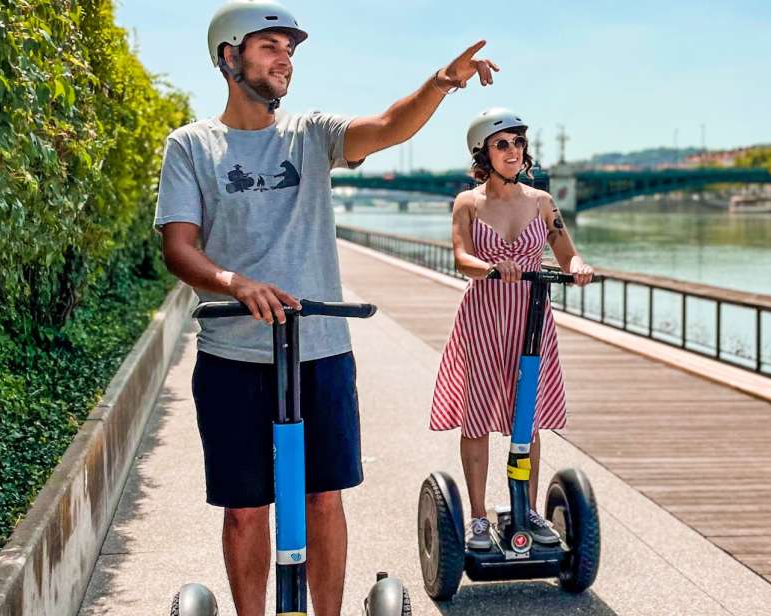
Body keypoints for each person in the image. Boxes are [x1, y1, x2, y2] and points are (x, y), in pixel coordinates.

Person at [153, 1, 499, 613]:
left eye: (289, 49)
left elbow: (389, 126)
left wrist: (441, 84)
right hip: (234, 354)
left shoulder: (310, 134)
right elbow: (179, 249)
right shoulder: (191, 147)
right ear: (228, 57)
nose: (284, 58)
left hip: (321, 352)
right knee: (244, 510)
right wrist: (236, 283)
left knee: (324, 499)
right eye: (269, 47)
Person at [429, 108, 595, 551]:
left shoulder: (542, 202)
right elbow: (460, 257)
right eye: (502, 143)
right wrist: (489, 267)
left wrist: (579, 267)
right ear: (483, 151)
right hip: (483, 316)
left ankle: (528, 508)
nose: (513, 151)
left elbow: (566, 252)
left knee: (528, 418)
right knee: (477, 415)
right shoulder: (468, 202)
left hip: (531, 315)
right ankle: (479, 517)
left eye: (518, 143)